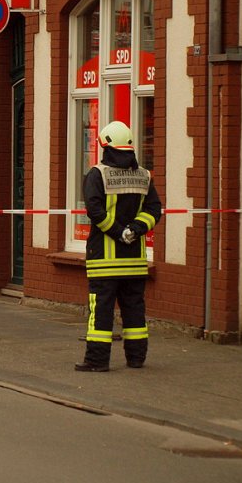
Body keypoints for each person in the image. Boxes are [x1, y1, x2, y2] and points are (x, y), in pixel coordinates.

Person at [76, 121, 162, 372]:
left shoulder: (97, 174)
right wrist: (135, 229)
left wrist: (118, 232)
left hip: (104, 260)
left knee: (100, 310)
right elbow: (154, 210)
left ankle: (97, 360)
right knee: (134, 309)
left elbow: (94, 210)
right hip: (134, 259)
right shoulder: (144, 175)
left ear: (106, 146)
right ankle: (136, 358)